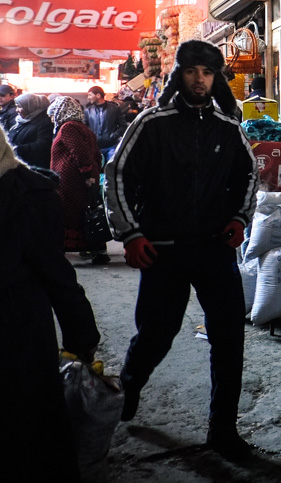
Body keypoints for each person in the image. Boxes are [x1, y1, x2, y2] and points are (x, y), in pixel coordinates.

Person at [105, 39, 258, 460]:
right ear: (180, 74)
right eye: (192, 70)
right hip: (162, 251)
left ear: (216, 78)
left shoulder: (228, 128)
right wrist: (130, 234)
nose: (200, 79)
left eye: (207, 72)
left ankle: (223, 430)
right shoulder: (151, 123)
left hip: (214, 250)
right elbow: (116, 173)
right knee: (156, 334)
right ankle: (131, 384)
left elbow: (249, 174)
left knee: (229, 339)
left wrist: (240, 218)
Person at [0, 128, 101, 482]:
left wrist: (81, 336)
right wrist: (82, 337)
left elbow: (54, 272)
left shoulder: (29, 195)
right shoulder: (29, 192)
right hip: (21, 325)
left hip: (18, 327)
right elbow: (56, 274)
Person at [48, 96, 107, 263]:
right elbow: (95, 154)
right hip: (82, 177)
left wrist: (88, 175)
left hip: (72, 180)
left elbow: (79, 152)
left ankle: (81, 246)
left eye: (53, 114)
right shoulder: (83, 127)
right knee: (86, 210)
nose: (52, 118)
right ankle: (94, 247)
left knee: (73, 212)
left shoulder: (68, 127)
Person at [8, 92, 54, 169]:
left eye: (19, 107)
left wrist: (18, 149)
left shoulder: (44, 122)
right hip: (21, 164)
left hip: (34, 167)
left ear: (29, 106)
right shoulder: (21, 120)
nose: (17, 110)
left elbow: (43, 144)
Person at [84, 86, 128, 165]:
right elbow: (84, 128)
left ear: (98, 95)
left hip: (111, 146)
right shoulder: (88, 110)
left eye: (90, 95)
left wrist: (113, 136)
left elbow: (123, 126)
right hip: (95, 148)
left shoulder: (114, 108)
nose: (88, 98)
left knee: (112, 169)